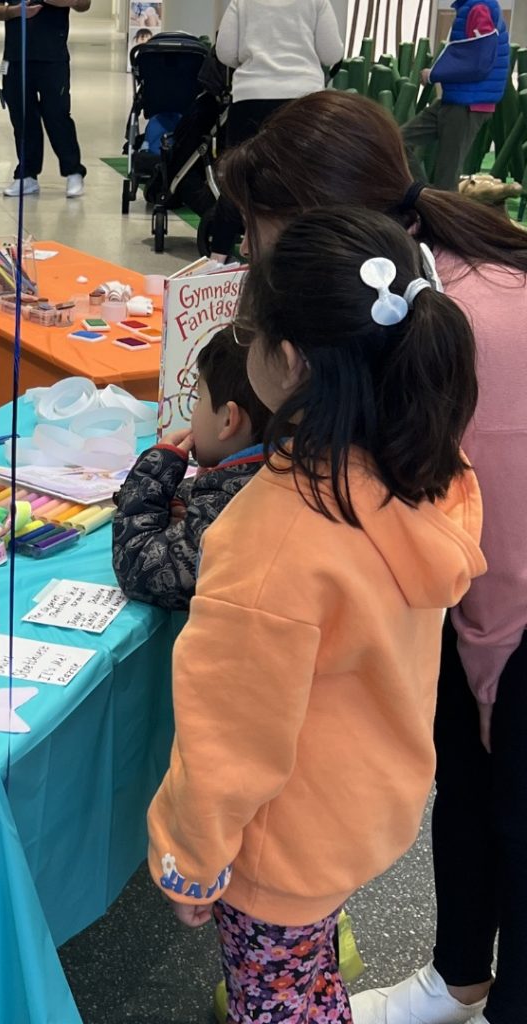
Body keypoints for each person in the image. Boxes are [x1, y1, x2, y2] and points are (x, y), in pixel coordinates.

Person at [217, 89, 527, 1024]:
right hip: (478, 585)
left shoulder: (475, 327)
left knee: (509, 801)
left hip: (513, 607)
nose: (248, 261)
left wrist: (486, 687)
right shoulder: (393, 304)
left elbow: (501, 553)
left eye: (259, 239)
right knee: (470, 795)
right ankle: (460, 976)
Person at [148, 206, 484, 1023]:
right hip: (367, 807)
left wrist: (189, 854)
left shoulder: (272, 538)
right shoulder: (431, 468)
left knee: (279, 1005)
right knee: (306, 974)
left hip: (283, 845)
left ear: (287, 362)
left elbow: (230, 734)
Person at [112, 326, 270, 609]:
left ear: (228, 421)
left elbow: (139, 569)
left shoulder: (237, 504)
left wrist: (152, 475)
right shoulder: (280, 465)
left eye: (199, 399)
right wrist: (181, 498)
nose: (194, 412)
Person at [208, 0, 342, 261]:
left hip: (251, 96)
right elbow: (331, 53)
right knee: (302, 181)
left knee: (237, 177)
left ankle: (217, 258)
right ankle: (302, 252)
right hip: (302, 99)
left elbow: (224, 52)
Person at [402, 0, 509, 192]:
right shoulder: (473, 7)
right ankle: (425, 197)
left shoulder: (478, 9)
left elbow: (479, 63)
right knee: (399, 141)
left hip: (467, 104)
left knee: (446, 179)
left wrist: (435, 74)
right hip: (455, 99)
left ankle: (435, 208)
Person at [0, 0, 90, 199]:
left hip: (52, 55)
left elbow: (84, 4)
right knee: (22, 116)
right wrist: (15, 11)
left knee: (57, 114)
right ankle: (27, 175)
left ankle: (73, 171)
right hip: (16, 56)